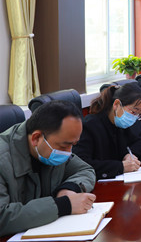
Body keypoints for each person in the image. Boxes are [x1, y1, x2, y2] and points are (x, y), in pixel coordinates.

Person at [0, 101, 96, 236]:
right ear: (36, 138)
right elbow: (2, 217)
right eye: (64, 146)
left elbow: (85, 170)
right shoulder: (3, 159)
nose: (68, 152)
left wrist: (68, 189)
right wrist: (63, 205)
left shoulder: (50, 146)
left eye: (73, 145)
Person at [73, 82, 141, 180]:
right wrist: (120, 167)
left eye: (138, 114)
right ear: (116, 104)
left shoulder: (122, 123)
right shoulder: (89, 126)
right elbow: (81, 164)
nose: (134, 117)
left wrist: (129, 155)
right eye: (133, 112)